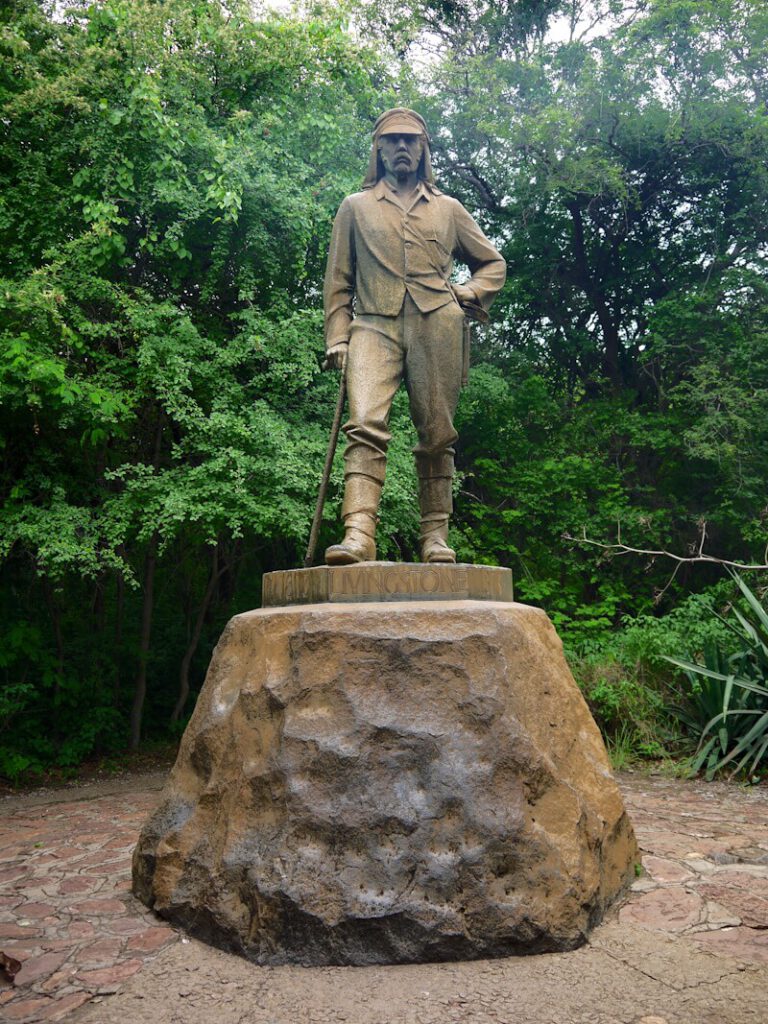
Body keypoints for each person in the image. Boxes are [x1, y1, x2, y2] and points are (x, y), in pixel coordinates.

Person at [323, 108, 506, 565]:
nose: (402, 147)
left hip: (437, 325)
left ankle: (435, 538)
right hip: (373, 326)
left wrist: (467, 293)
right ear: (379, 149)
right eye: (393, 140)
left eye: (411, 140)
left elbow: (493, 264)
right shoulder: (354, 207)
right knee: (364, 423)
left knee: (437, 434)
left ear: (423, 148)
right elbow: (338, 282)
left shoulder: (448, 210)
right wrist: (337, 337)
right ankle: (358, 533)